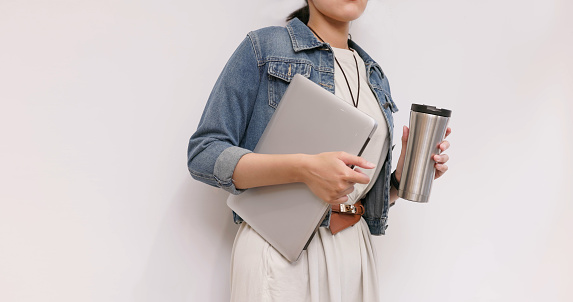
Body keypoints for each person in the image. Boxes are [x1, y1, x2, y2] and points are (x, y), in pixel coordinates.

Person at [187, 0, 451, 301]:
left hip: (353, 253)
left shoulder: (373, 74)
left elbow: (354, 193)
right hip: (279, 250)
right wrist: (304, 169)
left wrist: (399, 179)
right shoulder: (263, 48)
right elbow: (204, 153)